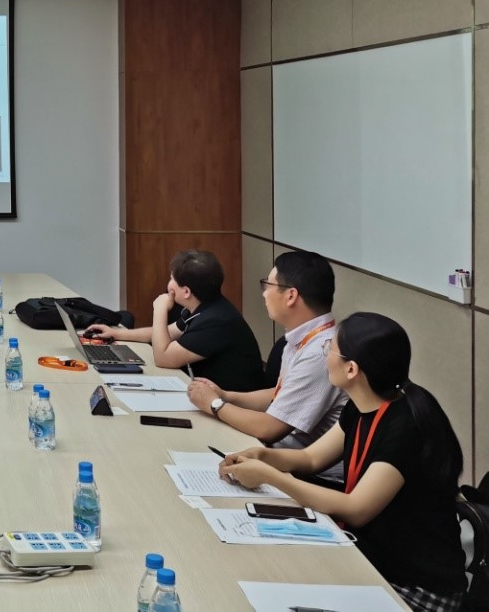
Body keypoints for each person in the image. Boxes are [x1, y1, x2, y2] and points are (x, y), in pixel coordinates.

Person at [219, 312, 466, 611]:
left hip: (416, 586)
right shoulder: (362, 406)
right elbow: (311, 458)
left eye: (330, 350)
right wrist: (262, 456)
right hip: (374, 556)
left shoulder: (405, 426)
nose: (325, 357)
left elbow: (356, 509)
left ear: (351, 369)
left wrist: (270, 476)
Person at [187, 251, 345, 474]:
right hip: (277, 454)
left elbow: (270, 428)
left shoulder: (322, 352)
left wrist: (215, 405)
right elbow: (279, 393)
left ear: (291, 296)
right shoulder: (303, 337)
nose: (264, 294)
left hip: (307, 473)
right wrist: (226, 396)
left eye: (268, 285)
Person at [84, 249, 264, 391]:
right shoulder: (202, 306)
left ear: (186, 291)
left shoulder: (217, 321)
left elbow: (163, 358)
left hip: (233, 405)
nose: (169, 284)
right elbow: (166, 333)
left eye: (172, 279)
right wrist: (116, 333)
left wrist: (159, 310)